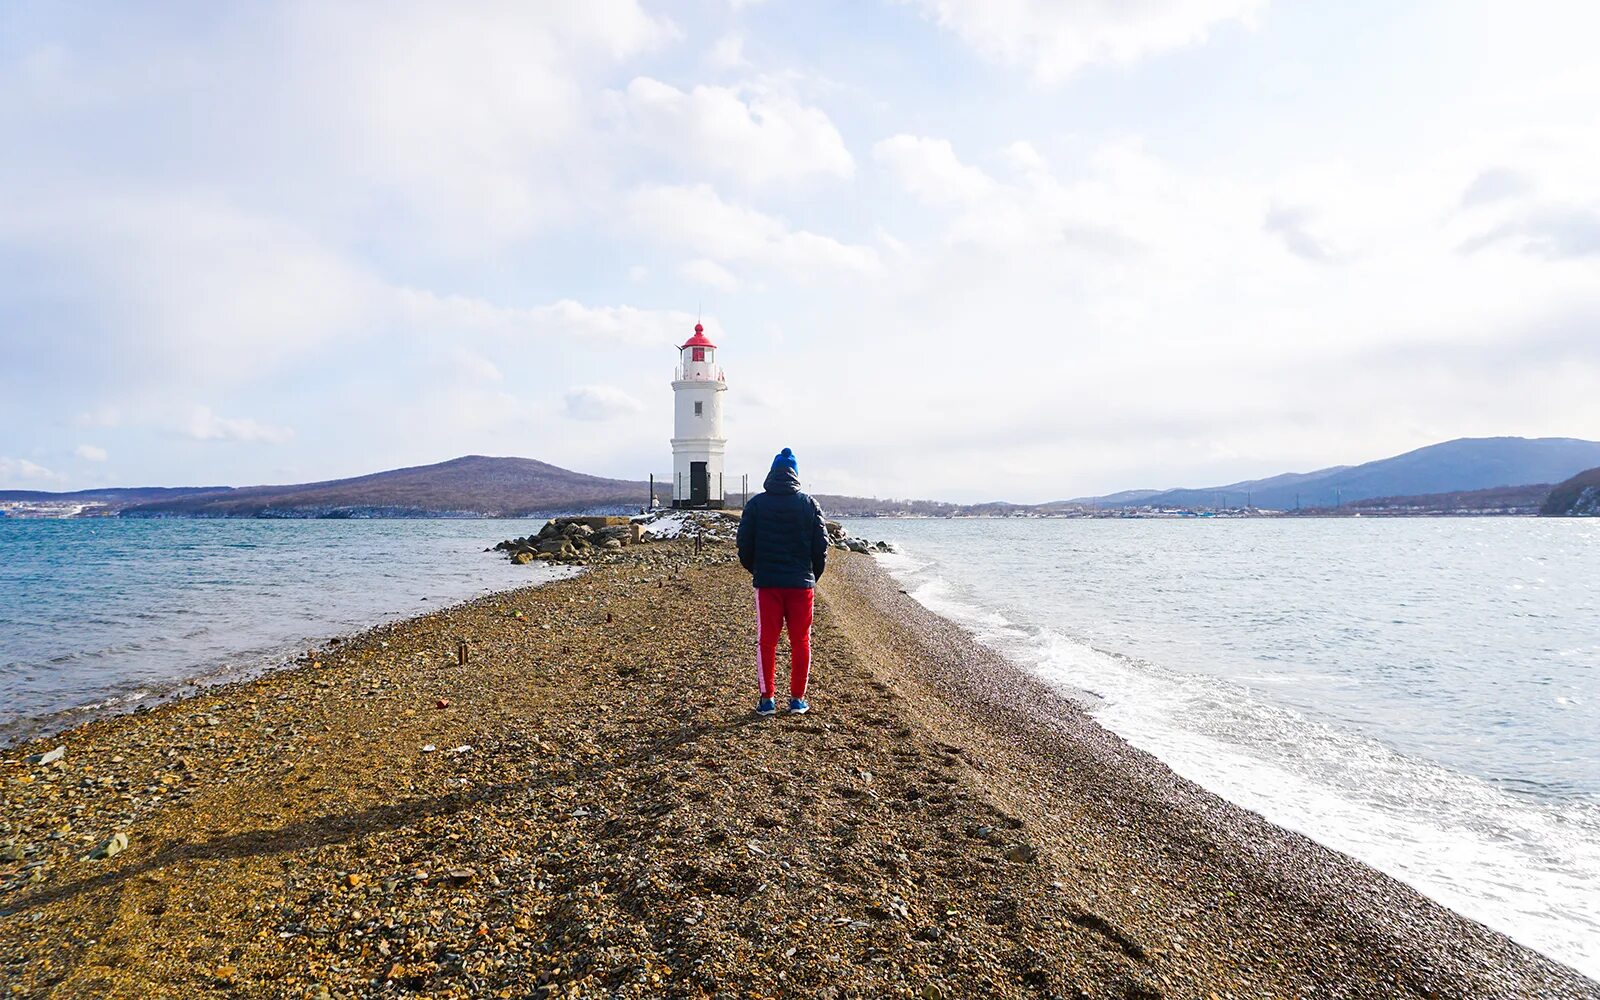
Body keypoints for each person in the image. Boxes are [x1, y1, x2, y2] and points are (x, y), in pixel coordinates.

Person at [736, 447, 828, 716]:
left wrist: (757, 570)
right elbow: (821, 547)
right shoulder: (809, 504)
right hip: (801, 585)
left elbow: (744, 545)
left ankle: (767, 700)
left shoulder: (755, 504)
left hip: (768, 584)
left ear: (772, 474)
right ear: (795, 474)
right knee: (801, 641)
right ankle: (798, 699)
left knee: (767, 641)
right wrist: (812, 576)